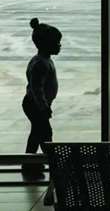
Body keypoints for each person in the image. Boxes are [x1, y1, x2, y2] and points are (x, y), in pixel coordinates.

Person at [21, 18, 62, 179]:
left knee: (37, 133)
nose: (59, 45)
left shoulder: (42, 60)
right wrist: (44, 107)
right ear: (47, 44)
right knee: (45, 133)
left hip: (33, 104)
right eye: (56, 42)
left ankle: (30, 162)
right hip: (36, 105)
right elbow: (36, 89)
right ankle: (51, 163)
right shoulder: (41, 64)